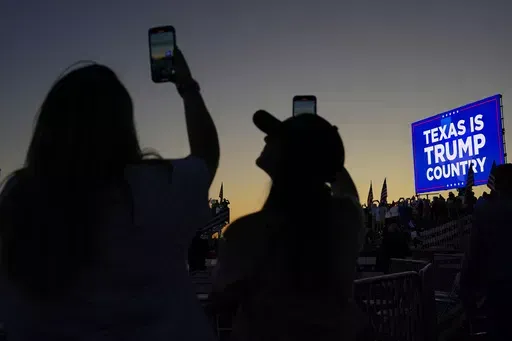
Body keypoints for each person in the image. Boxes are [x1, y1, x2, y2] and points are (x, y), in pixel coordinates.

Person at [0, 48, 219, 340]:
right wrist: (187, 86)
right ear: (124, 125)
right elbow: (206, 156)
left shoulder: (21, 195)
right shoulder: (159, 186)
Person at [210, 110, 365, 341]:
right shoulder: (346, 217)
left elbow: (220, 300)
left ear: (289, 155)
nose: (265, 139)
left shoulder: (246, 233)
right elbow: (344, 185)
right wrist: (320, 147)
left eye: (274, 137)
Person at [460, 163, 512, 341]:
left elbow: (473, 252)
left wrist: (466, 288)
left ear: (496, 183)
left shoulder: (486, 211)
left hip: (498, 288)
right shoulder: (486, 209)